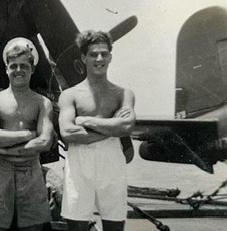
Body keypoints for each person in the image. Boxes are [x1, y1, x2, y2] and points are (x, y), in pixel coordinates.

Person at [58, 30, 136, 231]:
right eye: (93, 54)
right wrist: (111, 126)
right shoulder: (70, 95)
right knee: (76, 225)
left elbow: (126, 126)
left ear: (111, 56)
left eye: (104, 53)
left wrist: (86, 120)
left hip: (111, 162)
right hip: (79, 162)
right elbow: (67, 132)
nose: (99, 59)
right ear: (83, 58)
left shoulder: (123, 94)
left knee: (114, 225)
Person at [0, 37, 54, 231]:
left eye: (24, 66)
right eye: (14, 66)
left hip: (31, 173)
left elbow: (45, 141)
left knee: (32, 227)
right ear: (6, 68)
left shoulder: (42, 103)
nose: (18, 70)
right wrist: (28, 134)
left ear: (32, 69)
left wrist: (6, 149)